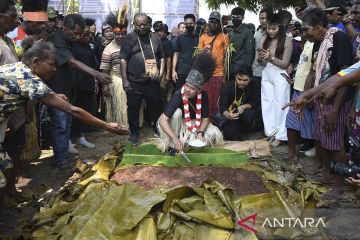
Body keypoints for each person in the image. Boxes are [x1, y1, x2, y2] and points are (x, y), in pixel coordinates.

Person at [301, 7, 353, 198]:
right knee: (321, 139)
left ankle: (339, 187)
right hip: (322, 99)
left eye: (307, 29)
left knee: (335, 143)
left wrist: (336, 109)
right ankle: (328, 175)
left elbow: (345, 75)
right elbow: (316, 71)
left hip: (336, 101)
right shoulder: (319, 42)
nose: (304, 34)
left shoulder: (338, 39)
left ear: (320, 26)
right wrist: (309, 96)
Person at [48, 14, 111, 167]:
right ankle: (60, 160)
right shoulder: (58, 41)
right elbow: (72, 62)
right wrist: (97, 74)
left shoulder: (72, 41)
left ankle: (64, 155)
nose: (77, 36)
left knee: (67, 124)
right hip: (57, 90)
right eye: (74, 33)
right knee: (60, 125)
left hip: (70, 89)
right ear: (65, 28)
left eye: (80, 33)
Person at [158, 52, 223, 153]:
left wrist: (200, 132)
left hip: (194, 124)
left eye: (192, 88)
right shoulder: (179, 94)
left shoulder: (203, 96)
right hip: (178, 124)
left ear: (199, 90)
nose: (187, 89)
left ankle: (188, 141)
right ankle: (172, 144)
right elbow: (162, 120)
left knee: (213, 134)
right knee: (176, 113)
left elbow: (205, 119)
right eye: (187, 85)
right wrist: (175, 138)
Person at [120, 13, 165, 145]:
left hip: (153, 81)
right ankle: (134, 132)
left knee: (155, 106)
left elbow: (162, 57)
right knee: (133, 107)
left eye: (144, 24)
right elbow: (123, 59)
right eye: (138, 25)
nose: (141, 27)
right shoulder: (129, 38)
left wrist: (160, 74)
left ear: (149, 24)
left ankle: (156, 128)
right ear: (134, 25)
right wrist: (125, 80)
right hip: (135, 82)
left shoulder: (155, 38)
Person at [258, 13, 293, 147]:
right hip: (267, 72)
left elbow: (285, 64)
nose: (270, 31)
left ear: (280, 27)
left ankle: (281, 136)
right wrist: (261, 58)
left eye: (274, 29)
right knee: (267, 104)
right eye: (268, 28)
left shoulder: (287, 40)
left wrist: (271, 57)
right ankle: (270, 133)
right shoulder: (265, 39)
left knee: (281, 105)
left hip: (280, 74)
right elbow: (261, 62)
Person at [71, 20, 99, 149]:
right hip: (75, 86)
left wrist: (95, 81)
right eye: (83, 34)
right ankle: (69, 141)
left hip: (87, 84)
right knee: (72, 113)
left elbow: (93, 66)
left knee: (85, 112)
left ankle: (82, 138)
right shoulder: (71, 46)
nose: (86, 37)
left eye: (88, 35)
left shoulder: (89, 46)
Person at [100, 9, 129, 127]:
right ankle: (121, 124)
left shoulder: (131, 45)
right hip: (116, 80)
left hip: (131, 80)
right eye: (118, 34)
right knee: (120, 106)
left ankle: (132, 123)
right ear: (114, 33)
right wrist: (105, 85)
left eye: (123, 34)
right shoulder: (108, 49)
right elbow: (105, 70)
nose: (120, 36)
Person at [198, 11, 229, 116]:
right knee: (206, 97)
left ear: (219, 24)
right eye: (211, 21)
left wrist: (225, 75)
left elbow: (226, 58)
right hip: (206, 74)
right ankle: (206, 119)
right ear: (208, 22)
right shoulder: (203, 37)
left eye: (216, 21)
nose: (213, 24)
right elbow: (199, 56)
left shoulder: (224, 37)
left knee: (216, 99)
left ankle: (215, 121)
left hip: (219, 73)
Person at [219, 65, 260, 140]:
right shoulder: (228, 87)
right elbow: (222, 106)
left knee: (248, 114)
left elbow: (255, 103)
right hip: (231, 116)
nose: (242, 82)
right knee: (228, 133)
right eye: (239, 79)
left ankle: (245, 132)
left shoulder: (255, 85)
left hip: (246, 115)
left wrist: (244, 107)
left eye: (245, 80)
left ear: (250, 78)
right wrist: (228, 115)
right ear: (235, 76)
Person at [172, 13, 199, 90]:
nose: (188, 25)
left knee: (194, 94)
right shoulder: (180, 37)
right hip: (182, 71)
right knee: (179, 93)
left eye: (190, 23)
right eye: (186, 24)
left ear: (194, 23)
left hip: (195, 71)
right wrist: (173, 71)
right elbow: (176, 54)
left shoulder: (200, 37)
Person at [228, 7, 254, 81]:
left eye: (238, 17)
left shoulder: (247, 33)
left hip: (241, 71)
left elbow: (249, 53)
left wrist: (246, 71)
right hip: (231, 70)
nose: (235, 19)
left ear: (243, 18)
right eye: (233, 17)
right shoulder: (230, 34)